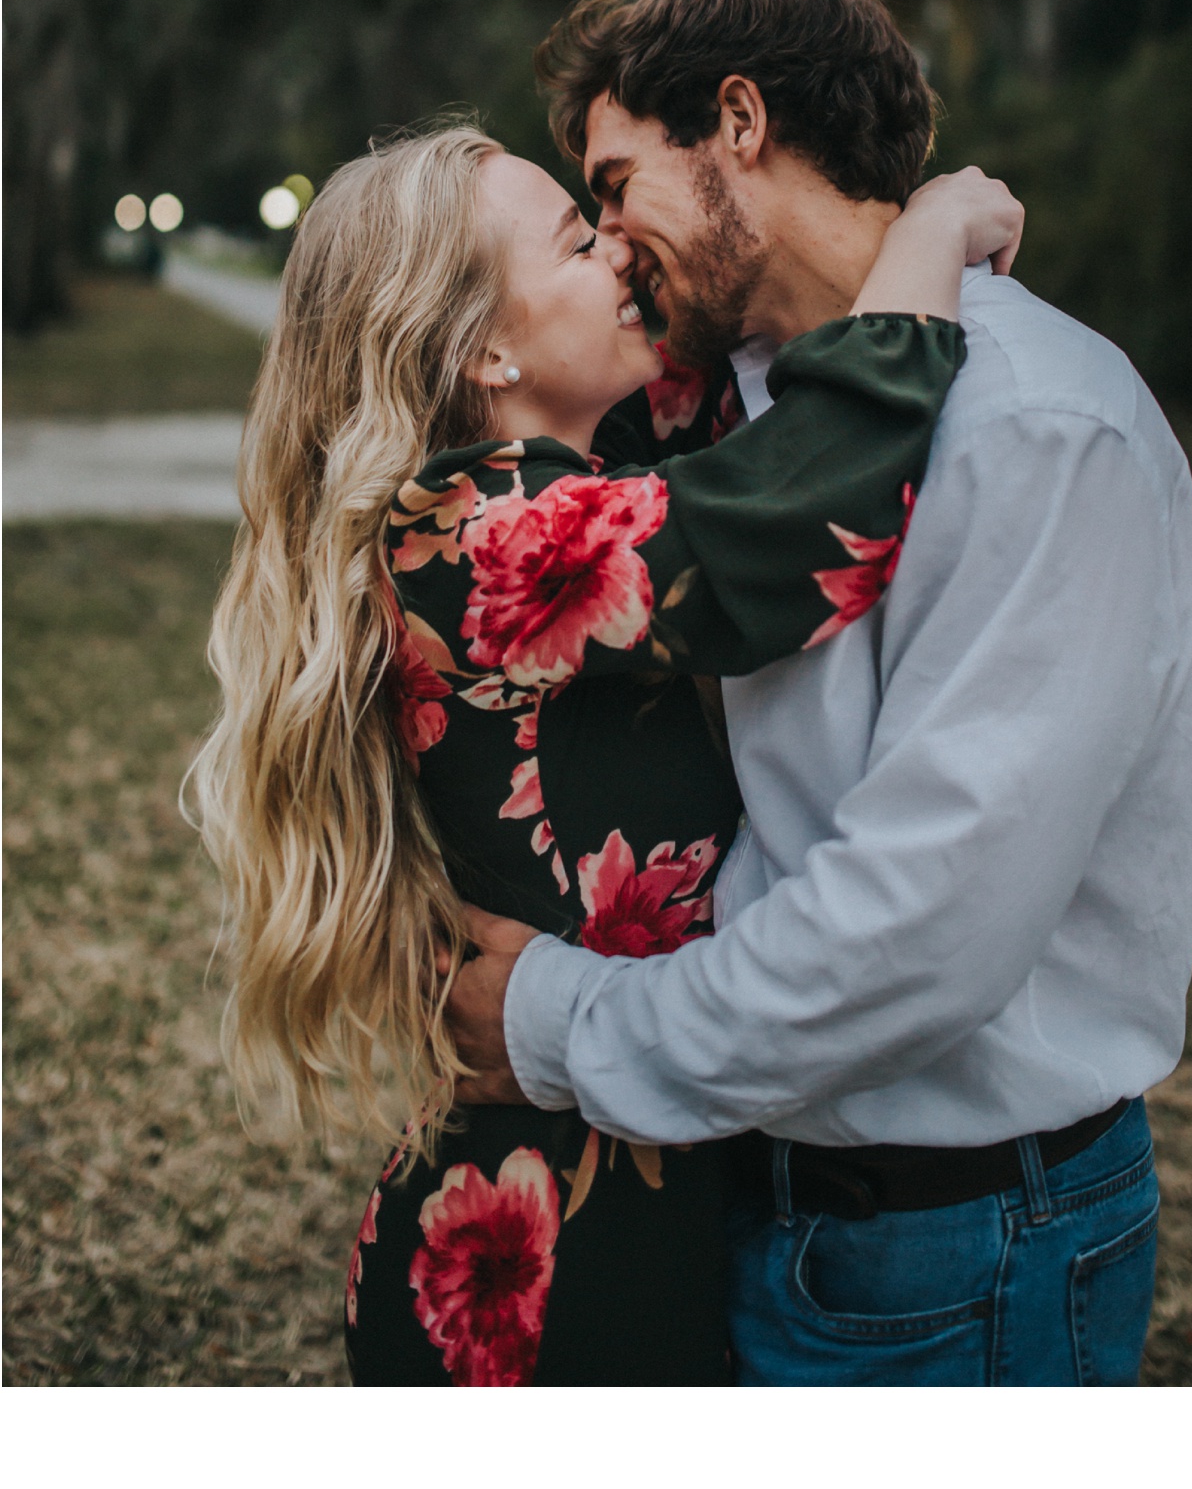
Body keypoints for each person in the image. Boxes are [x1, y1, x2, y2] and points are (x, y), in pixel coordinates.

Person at [442, 0, 1192, 1387]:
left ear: (736, 123)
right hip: (768, 1197)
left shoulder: (1034, 428)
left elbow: (909, 935)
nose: (609, 247)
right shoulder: (747, 411)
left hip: (958, 1247)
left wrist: (557, 1022)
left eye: (613, 190)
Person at [187, 107, 1021, 1385]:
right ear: (484, 345)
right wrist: (934, 227)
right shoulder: (473, 536)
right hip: (538, 1271)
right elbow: (807, 508)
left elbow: (725, 307)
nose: (624, 251)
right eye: (582, 241)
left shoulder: (573, 476)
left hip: (638, 1190)